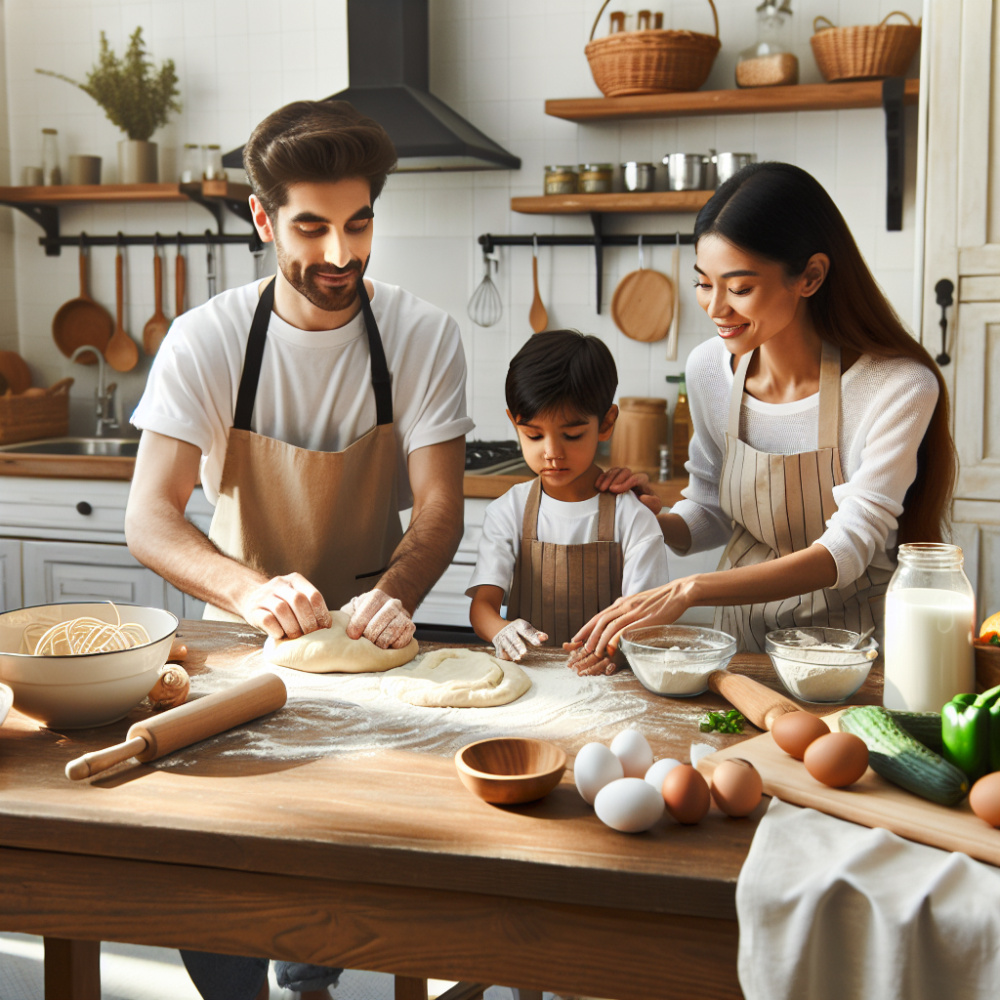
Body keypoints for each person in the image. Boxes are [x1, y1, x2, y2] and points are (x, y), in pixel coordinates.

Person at [125, 99, 474, 999]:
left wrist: (395, 591)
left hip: (376, 645)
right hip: (240, 651)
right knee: (220, 874)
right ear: (262, 218)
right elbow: (150, 518)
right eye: (311, 228)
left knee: (360, 855)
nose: (340, 255)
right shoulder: (207, 341)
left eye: (358, 224)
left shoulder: (422, 335)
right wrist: (248, 594)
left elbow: (439, 509)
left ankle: (312, 978)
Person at [569, 161, 957, 673]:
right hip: (738, 644)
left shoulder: (897, 385)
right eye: (704, 284)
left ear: (811, 276)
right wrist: (646, 521)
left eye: (739, 287)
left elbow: (849, 547)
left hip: (850, 654)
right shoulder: (709, 369)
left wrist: (690, 590)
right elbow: (710, 510)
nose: (715, 308)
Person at [467, 330, 668, 664]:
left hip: (611, 679)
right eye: (533, 435)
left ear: (606, 424)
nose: (551, 453)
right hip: (529, 677)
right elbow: (483, 606)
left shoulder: (632, 518)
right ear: (514, 424)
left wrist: (615, 654)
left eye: (572, 435)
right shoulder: (509, 511)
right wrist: (501, 630)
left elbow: (647, 619)